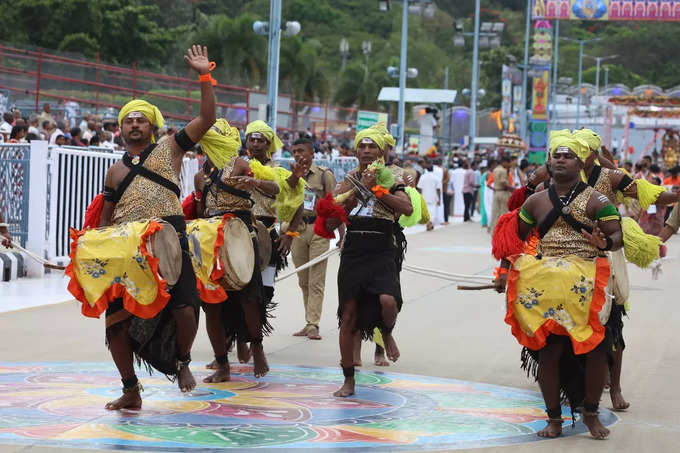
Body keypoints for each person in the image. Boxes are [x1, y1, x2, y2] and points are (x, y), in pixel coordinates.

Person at [93, 45, 216, 410]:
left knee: (185, 310)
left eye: (140, 119)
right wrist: (96, 247)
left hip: (170, 239)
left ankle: (182, 361)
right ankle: (131, 389)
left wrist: (203, 76)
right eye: (128, 120)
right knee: (115, 325)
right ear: (121, 128)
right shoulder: (114, 171)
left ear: (152, 125)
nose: (134, 124)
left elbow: (207, 118)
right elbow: (106, 216)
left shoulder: (169, 148)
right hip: (128, 248)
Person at [493, 131, 623, 439]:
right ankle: (554, 419)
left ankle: (590, 415)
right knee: (549, 352)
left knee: (595, 350)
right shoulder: (536, 201)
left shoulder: (597, 199)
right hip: (546, 282)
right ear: (549, 162)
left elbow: (617, 237)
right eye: (556, 155)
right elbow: (516, 239)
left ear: (580, 162)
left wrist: (604, 241)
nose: (560, 159)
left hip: (586, 279)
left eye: (568, 156)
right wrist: (503, 270)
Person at [322, 127, 413, 397]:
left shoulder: (395, 176)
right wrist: (351, 200)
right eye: (361, 146)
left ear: (382, 151)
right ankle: (348, 380)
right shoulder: (347, 179)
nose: (365, 151)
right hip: (354, 249)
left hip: (382, 246)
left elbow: (406, 208)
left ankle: (385, 332)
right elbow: (330, 222)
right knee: (348, 316)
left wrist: (376, 189)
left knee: (388, 301)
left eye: (371, 146)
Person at [192, 118, 277, 382]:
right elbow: (199, 212)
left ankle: (257, 346)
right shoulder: (199, 175)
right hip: (211, 238)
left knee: (248, 298)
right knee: (212, 305)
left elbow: (274, 189)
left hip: (240, 234)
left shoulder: (241, 163)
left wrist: (255, 184)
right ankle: (222, 364)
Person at [289, 137, 341, 340]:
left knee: (316, 280)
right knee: (303, 280)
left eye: (301, 151)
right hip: (298, 229)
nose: (297, 155)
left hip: (319, 229)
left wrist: (341, 234)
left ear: (312, 153)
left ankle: (313, 324)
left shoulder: (324, 175)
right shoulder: (292, 175)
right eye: (294, 152)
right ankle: (308, 320)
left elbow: (336, 205)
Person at [489, 155, 513, 231]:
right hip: (503, 193)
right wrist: (513, 189)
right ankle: (502, 231)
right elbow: (504, 183)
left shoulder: (495, 170)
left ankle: (493, 230)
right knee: (504, 213)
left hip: (496, 193)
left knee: (495, 213)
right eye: (508, 163)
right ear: (504, 162)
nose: (509, 165)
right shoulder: (503, 170)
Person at [417, 165, 440, 231]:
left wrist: (419, 196)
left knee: (426, 210)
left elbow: (419, 188)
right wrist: (439, 199)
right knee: (432, 211)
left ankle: (428, 222)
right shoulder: (436, 177)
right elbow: (438, 189)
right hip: (433, 196)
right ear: (433, 169)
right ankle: (430, 223)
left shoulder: (423, 177)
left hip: (424, 196)